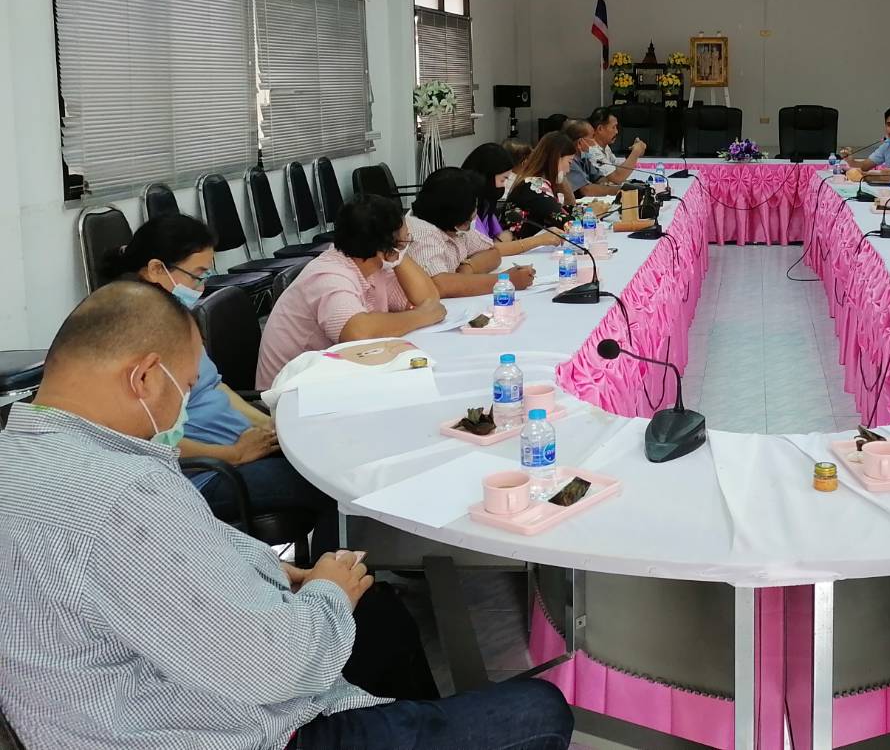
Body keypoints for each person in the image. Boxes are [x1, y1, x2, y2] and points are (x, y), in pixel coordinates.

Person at [0, 281, 574, 750]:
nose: (183, 406)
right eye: (184, 384)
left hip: (90, 709)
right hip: (229, 727)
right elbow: (271, 669)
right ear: (145, 377)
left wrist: (278, 572)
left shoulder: (22, 454)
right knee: (540, 711)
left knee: (375, 613)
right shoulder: (126, 495)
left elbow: (161, 576)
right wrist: (325, 593)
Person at [101, 214, 337, 552]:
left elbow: (216, 387)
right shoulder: (129, 335)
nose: (201, 287)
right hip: (210, 472)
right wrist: (234, 454)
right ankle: (336, 589)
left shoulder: (173, 318)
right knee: (332, 486)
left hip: (248, 449)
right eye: (196, 275)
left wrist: (273, 426)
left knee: (333, 454)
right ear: (155, 269)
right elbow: (143, 440)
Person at [256, 195, 446, 389]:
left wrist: (397, 252)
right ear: (385, 248)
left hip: (334, 376)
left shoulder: (370, 263)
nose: (406, 245)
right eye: (406, 240)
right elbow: (358, 333)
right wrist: (421, 316)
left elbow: (428, 298)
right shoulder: (329, 276)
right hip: (293, 393)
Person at [405, 167, 536, 296]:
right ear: (451, 216)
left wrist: (469, 267)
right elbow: (441, 285)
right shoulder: (421, 233)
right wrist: (506, 280)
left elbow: (493, 253)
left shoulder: (452, 224)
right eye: (467, 221)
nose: (472, 220)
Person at [460, 143, 561, 257]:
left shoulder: (486, 204)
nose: (504, 186)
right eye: (503, 180)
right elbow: (488, 249)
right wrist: (539, 240)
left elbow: (501, 238)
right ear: (486, 177)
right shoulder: (467, 208)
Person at [562, 117, 622, 198]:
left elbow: (598, 178)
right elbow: (586, 190)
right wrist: (619, 190)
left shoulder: (584, 156)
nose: (595, 141)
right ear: (580, 142)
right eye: (592, 137)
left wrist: (605, 184)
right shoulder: (568, 161)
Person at [586, 106, 646, 184]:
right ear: (600, 129)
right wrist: (635, 152)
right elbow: (617, 178)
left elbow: (618, 168)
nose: (617, 132)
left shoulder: (605, 146)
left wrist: (632, 154)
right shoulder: (592, 150)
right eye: (613, 127)